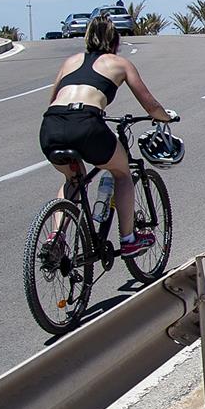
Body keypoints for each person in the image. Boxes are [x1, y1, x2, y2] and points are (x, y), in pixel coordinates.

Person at [39, 15, 175, 256]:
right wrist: (165, 117)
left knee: (73, 179)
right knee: (122, 173)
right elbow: (149, 105)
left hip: (52, 125)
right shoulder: (120, 64)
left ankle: (55, 238)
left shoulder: (70, 61)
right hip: (86, 124)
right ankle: (129, 239)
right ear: (115, 40)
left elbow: (52, 101)